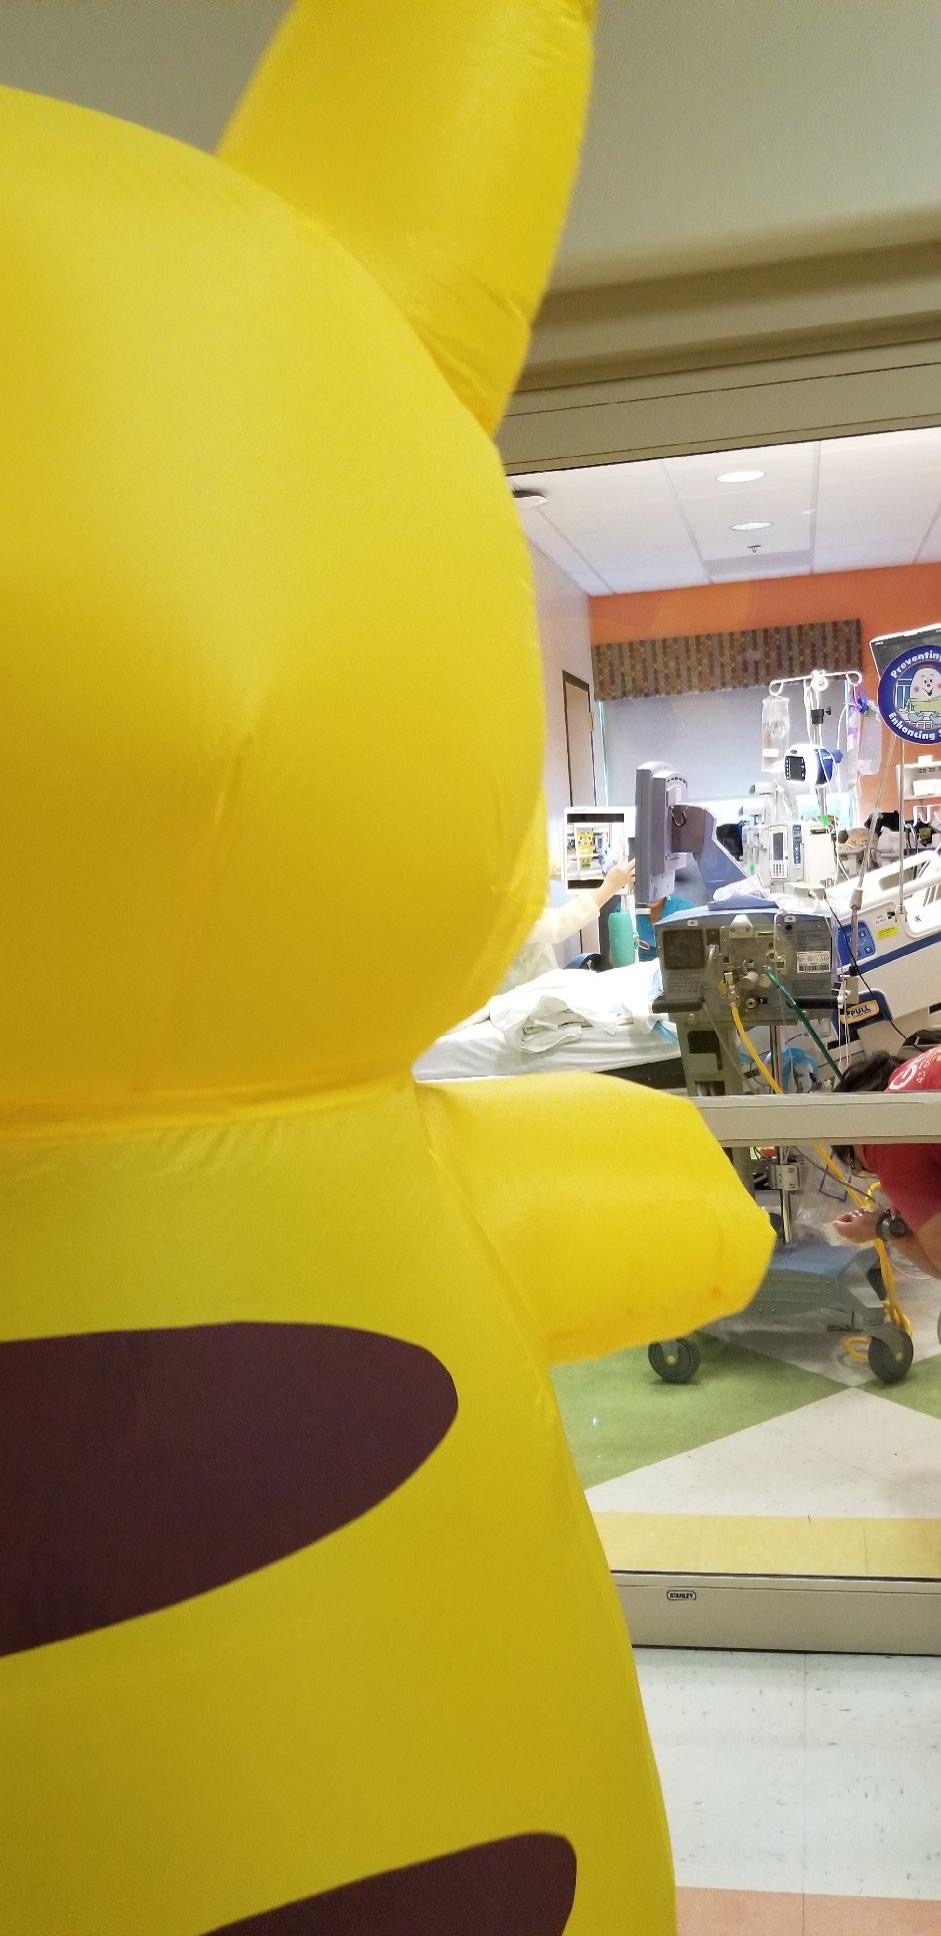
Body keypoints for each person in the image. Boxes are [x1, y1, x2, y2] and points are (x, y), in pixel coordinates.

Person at [830, 1044, 941, 1278]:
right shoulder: (919, 1071)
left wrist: (882, 1228)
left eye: (858, 1166)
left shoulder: (884, 1140)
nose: (878, 1175)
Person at [498, 856, 635, 993]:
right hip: (505, 983)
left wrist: (599, 865)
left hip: (537, 960)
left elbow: (547, 864)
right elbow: (556, 924)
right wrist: (608, 887)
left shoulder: (517, 853)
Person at [635, 889, 693, 962]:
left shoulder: (683, 910)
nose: (651, 894)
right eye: (645, 887)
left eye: (655, 888)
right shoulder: (628, 906)